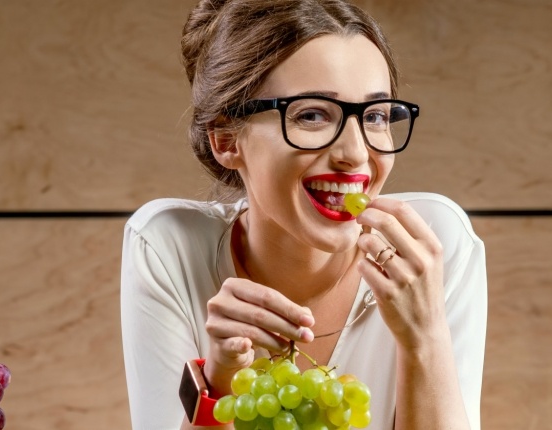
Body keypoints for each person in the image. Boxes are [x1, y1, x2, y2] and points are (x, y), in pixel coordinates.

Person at [120, 0, 487, 429]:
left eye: (374, 116)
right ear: (224, 139)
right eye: (311, 115)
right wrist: (218, 382)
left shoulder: (431, 244)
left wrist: (424, 338)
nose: (355, 154)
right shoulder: (168, 247)